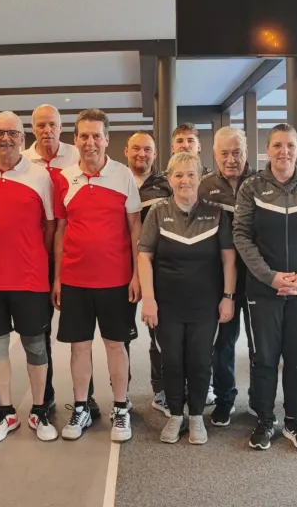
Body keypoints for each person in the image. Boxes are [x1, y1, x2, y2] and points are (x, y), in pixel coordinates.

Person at [234, 124, 297, 452]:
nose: (284, 151)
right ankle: (265, 419)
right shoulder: (252, 187)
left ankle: (294, 421)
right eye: (277, 145)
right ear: (268, 148)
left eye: (290, 145)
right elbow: (242, 235)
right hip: (264, 289)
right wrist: (271, 276)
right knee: (264, 358)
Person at [0, 111, 58, 443]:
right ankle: (6, 413)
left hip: (29, 277)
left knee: (36, 346)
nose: (6, 138)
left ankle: (39, 409)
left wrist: (31, 254)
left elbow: (49, 228)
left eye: (13, 133)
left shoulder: (41, 176)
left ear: (23, 138)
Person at [53, 108, 142, 443]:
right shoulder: (63, 178)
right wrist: (58, 278)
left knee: (116, 346)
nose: (90, 142)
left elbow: (135, 227)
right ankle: (81, 407)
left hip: (117, 280)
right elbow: (61, 229)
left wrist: (136, 275)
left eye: (96, 136)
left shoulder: (123, 176)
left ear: (107, 139)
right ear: (75, 140)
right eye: (84, 136)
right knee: (79, 347)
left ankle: (121, 409)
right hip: (75, 280)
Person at [139, 152, 236, 445]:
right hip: (167, 304)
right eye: (178, 175)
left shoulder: (216, 212)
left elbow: (229, 260)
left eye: (191, 174)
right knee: (171, 360)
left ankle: (195, 416)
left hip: (205, 304)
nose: (185, 181)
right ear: (169, 179)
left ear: (200, 178)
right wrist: (149, 299)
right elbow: (144, 258)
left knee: (199, 360)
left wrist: (228, 296)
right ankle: (175, 415)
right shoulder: (157, 212)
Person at [22, 104, 95, 416]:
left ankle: (86, 398)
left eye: (51, 124)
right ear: (33, 128)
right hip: (36, 256)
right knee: (40, 332)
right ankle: (45, 397)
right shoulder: (23, 161)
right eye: (40, 125)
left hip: (73, 256)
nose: (46, 130)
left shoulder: (75, 155)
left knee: (82, 334)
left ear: (62, 127)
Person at [198, 127, 255, 426]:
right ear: (215, 155)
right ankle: (224, 399)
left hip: (259, 276)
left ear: (246, 150)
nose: (231, 159)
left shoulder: (262, 183)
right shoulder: (204, 187)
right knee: (223, 344)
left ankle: (260, 399)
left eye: (237, 152)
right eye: (224, 154)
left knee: (262, 345)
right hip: (221, 279)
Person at [125, 131, 172, 416]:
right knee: (121, 337)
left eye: (147, 150)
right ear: (126, 152)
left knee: (159, 334)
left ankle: (161, 391)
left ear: (155, 154)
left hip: (160, 271)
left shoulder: (166, 186)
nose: (141, 154)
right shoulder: (117, 180)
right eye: (136, 149)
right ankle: (123, 394)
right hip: (122, 270)